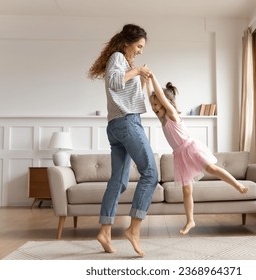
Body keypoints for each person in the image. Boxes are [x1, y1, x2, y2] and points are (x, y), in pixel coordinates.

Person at [146, 73, 248, 235]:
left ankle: (237, 184)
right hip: (180, 155)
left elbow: (159, 96)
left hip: (191, 148)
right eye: (153, 105)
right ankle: (190, 220)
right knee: (187, 190)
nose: (154, 108)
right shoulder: (162, 118)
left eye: (157, 105)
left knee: (212, 169)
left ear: (167, 103)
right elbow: (151, 96)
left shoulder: (172, 114)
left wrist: (152, 77)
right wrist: (145, 82)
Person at [88, 24, 158, 257]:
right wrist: (138, 71)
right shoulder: (118, 57)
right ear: (127, 42)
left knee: (118, 181)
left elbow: (131, 93)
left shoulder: (124, 63)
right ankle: (134, 230)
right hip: (127, 123)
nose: (140, 51)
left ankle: (104, 232)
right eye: (138, 46)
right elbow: (115, 83)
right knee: (150, 173)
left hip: (116, 125)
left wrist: (142, 76)